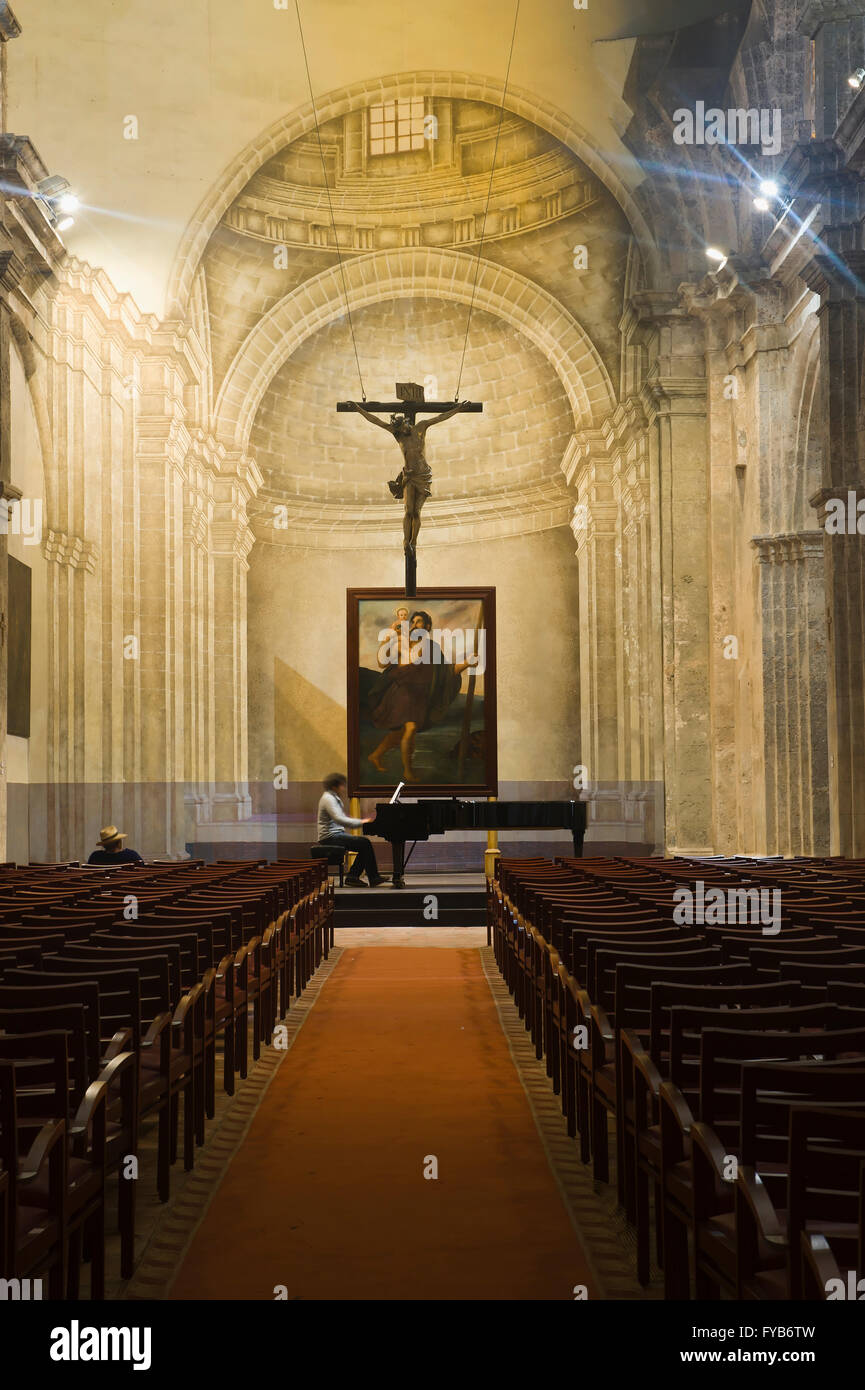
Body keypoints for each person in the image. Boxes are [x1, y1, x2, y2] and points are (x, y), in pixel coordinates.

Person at [367, 611, 478, 780]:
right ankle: (408, 772)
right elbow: (383, 662)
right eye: (413, 622)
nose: (414, 625)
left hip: (420, 697)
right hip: (402, 693)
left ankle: (375, 755)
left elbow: (447, 672)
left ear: (427, 627)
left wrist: (468, 662)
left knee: (402, 732)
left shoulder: (432, 648)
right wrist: (387, 638)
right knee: (410, 729)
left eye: (418, 622)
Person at [317, 774, 386, 887]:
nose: (344, 788)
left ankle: (353, 877)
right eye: (342, 786)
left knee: (364, 844)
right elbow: (339, 818)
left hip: (335, 835)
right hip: (330, 837)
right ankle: (371, 877)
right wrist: (361, 822)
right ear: (335, 787)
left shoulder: (331, 797)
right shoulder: (328, 799)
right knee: (364, 843)